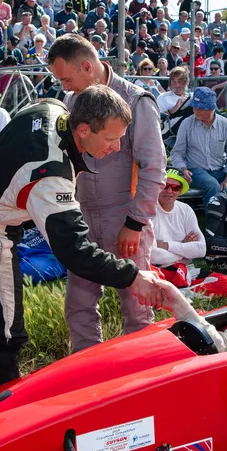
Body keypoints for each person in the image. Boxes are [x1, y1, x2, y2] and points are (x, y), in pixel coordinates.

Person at [0, 87, 167, 383]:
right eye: (111, 139)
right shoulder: (51, 175)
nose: (116, 148)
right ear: (84, 129)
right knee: (9, 333)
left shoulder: (52, 110)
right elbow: (73, 250)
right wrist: (133, 276)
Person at [47, 34, 167, 353]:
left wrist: (136, 222)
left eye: (68, 79)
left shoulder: (137, 100)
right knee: (79, 305)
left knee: (137, 306)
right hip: (84, 217)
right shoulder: (73, 103)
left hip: (124, 217)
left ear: (87, 66)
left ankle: (139, 373)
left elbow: (154, 167)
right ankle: (89, 375)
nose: (65, 87)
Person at [150, 169, 227, 297]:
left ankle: (177, 294)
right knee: (145, 275)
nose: (169, 191)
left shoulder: (186, 210)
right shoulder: (148, 211)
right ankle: (179, 294)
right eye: (165, 186)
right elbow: (152, 255)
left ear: (180, 191)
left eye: (175, 187)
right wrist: (184, 252)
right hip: (159, 270)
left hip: (187, 270)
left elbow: (201, 250)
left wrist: (166, 245)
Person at [170, 86, 227, 203]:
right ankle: (214, 220)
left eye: (200, 108)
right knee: (212, 185)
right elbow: (177, 152)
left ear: (211, 108)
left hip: (220, 170)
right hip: (196, 170)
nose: (195, 110)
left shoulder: (226, 124)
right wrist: (183, 169)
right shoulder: (186, 124)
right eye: (194, 107)